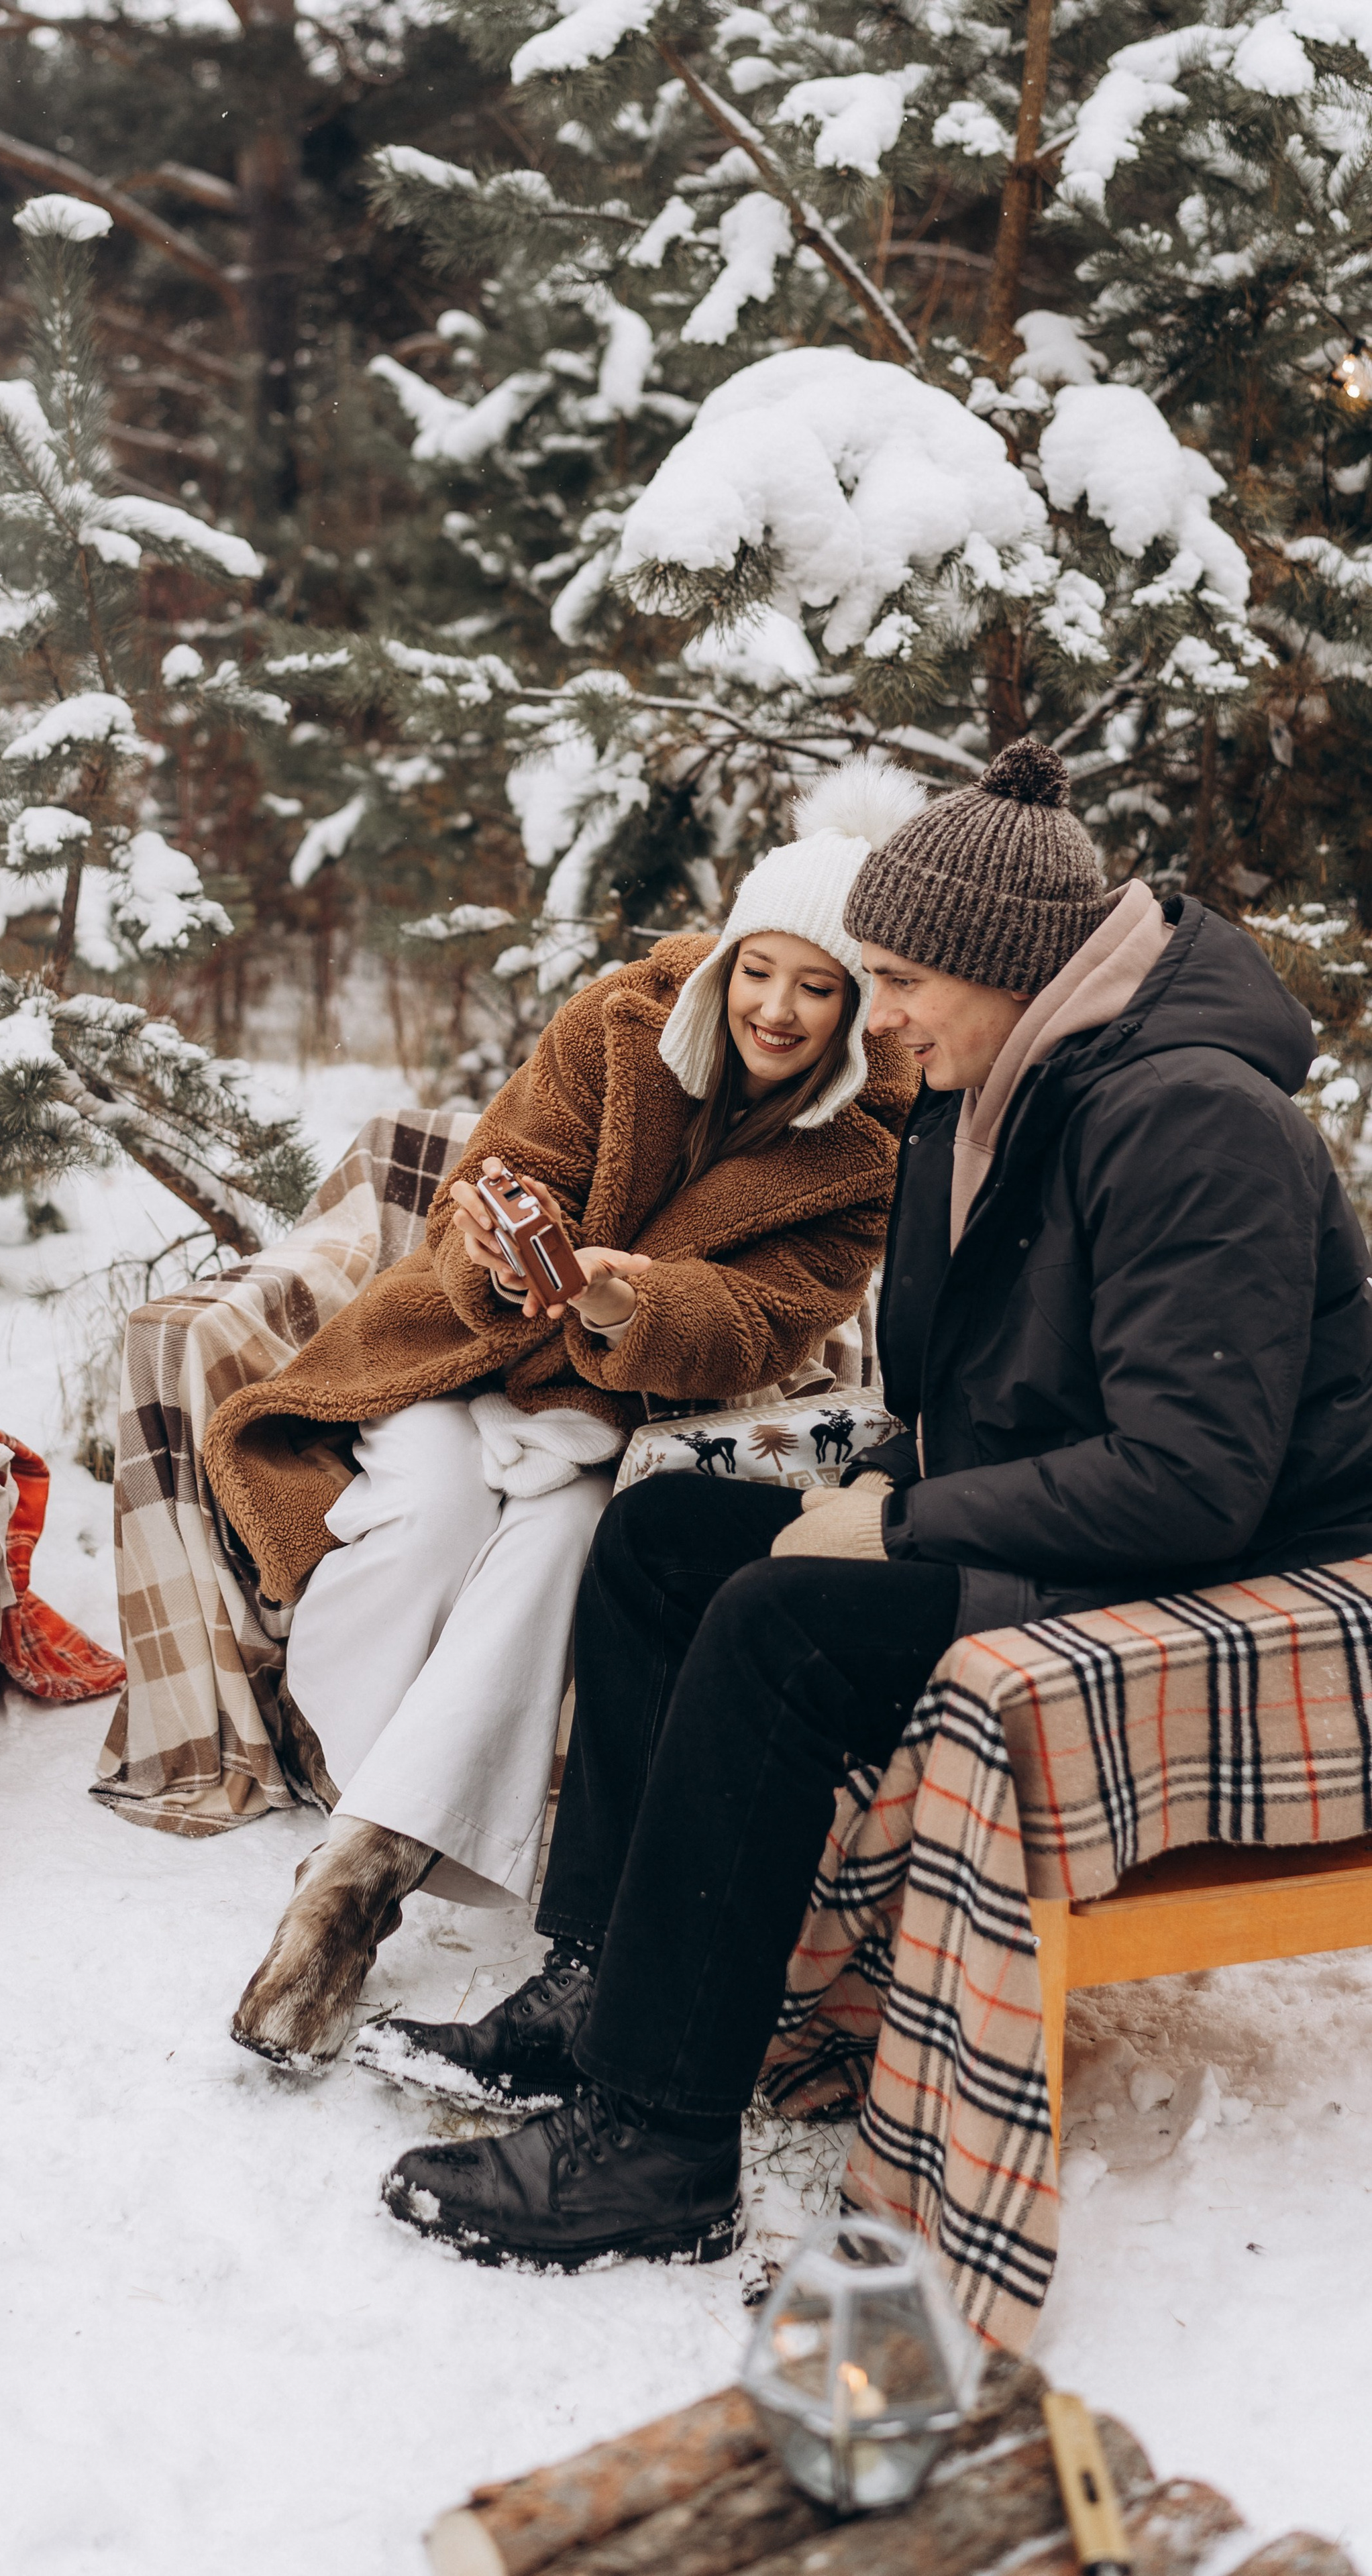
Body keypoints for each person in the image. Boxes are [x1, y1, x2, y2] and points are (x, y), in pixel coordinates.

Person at [374, 735, 1372, 2273]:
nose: (877, 1017)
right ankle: (603, 1987)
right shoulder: (987, 1099)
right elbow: (979, 1390)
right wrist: (885, 1482)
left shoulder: (1189, 1120)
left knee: (782, 1627)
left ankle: (655, 2144)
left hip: (1222, 1562)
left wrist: (899, 1528)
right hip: (1063, 1509)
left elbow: (1189, 1478)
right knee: (661, 1539)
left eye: (897, 981)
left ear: (1007, 965)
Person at [202, 759, 927, 2065]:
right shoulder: (615, 1026)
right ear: (724, 962)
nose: (776, 1008)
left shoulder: (865, 1152)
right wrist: (495, 1246)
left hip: (615, 1414)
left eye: (817, 988)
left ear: (855, 1006)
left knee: (554, 1552)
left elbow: (767, 1322)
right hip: (459, 1359)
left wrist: (631, 1302)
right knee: (428, 1518)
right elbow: (492, 1177)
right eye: (759, 971)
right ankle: (366, 1787)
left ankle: (351, 1889)